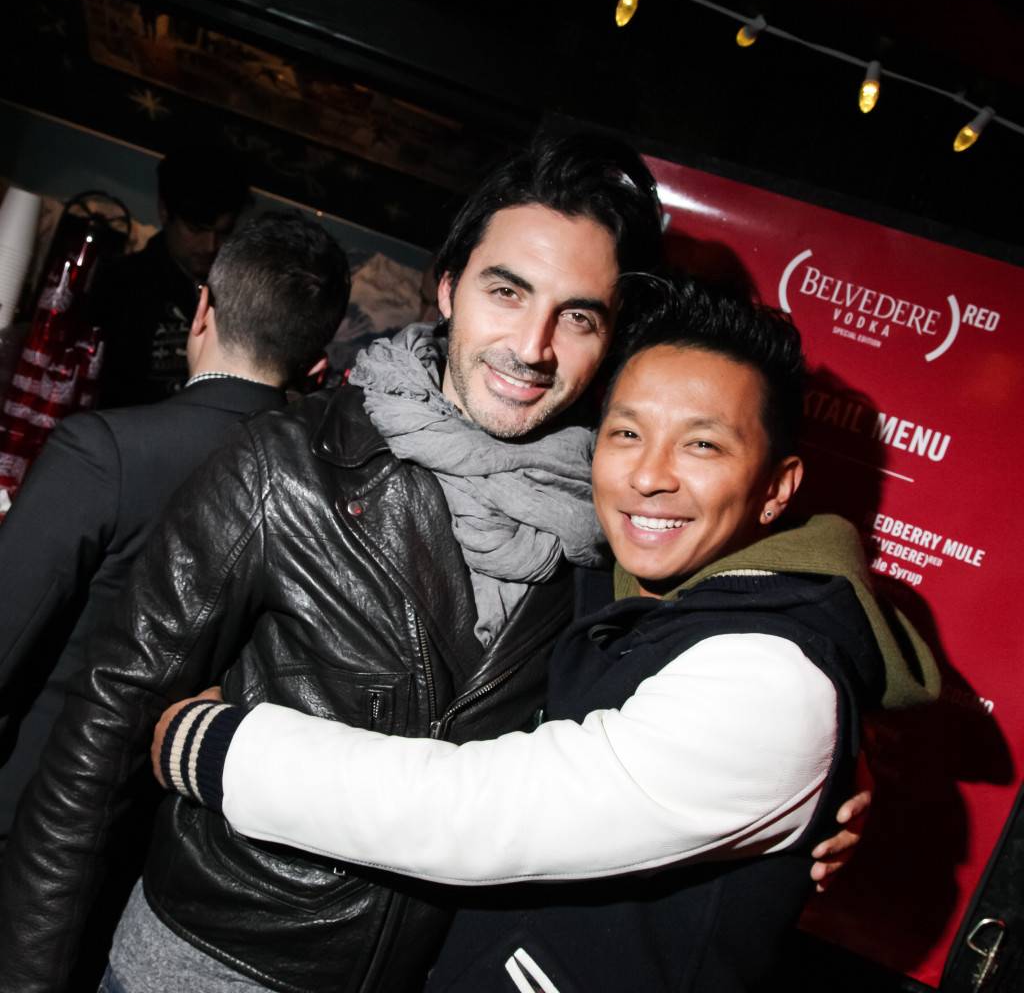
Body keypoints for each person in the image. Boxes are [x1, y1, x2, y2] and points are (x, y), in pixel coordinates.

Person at [0, 135, 876, 993]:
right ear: (449, 287)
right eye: (507, 291)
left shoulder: (612, 530)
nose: (532, 347)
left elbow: (665, 709)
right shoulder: (287, 467)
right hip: (207, 965)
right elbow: (97, 748)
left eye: (577, 317)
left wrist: (815, 789)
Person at [156, 280, 940, 992]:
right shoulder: (615, 581)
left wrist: (216, 746)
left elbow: (481, 812)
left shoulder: (773, 682)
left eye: (702, 445)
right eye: (627, 434)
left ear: (776, 488)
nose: (649, 475)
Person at [0, 210, 349, 980]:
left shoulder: (107, 451)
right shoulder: (322, 508)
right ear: (318, 367)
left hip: (26, 828)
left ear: (201, 312)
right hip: (164, 865)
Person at [89, 143, 251, 407]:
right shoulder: (123, 284)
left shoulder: (237, 294)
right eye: (196, 229)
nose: (210, 245)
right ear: (165, 212)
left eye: (224, 232)